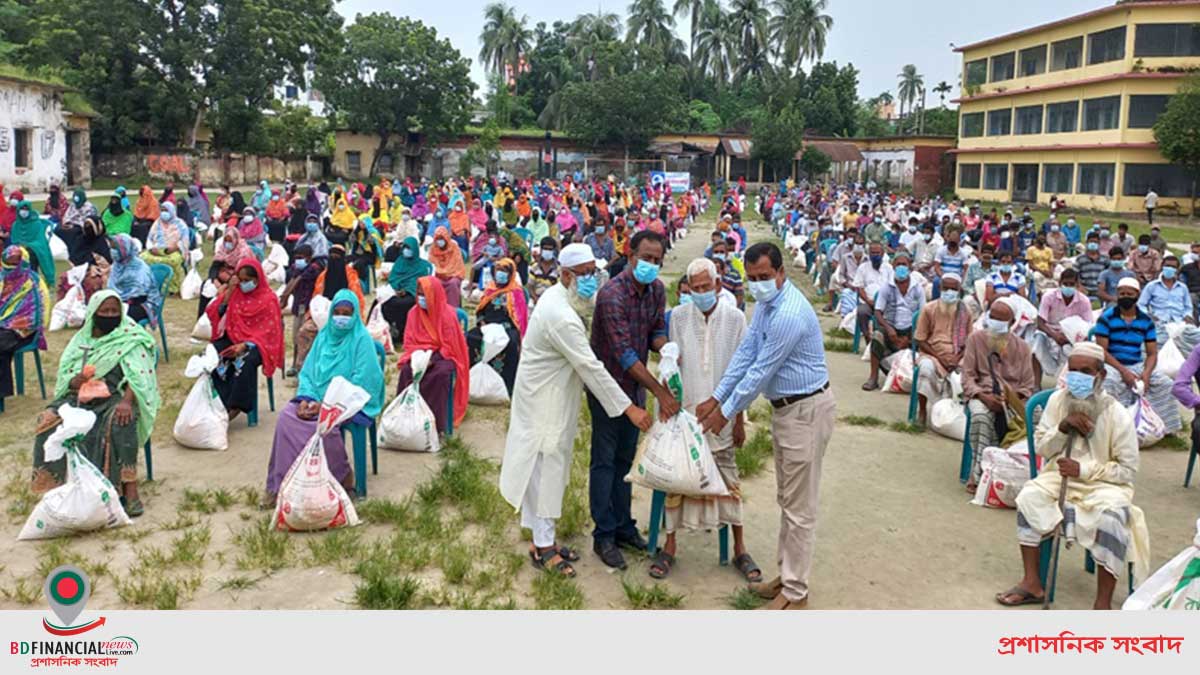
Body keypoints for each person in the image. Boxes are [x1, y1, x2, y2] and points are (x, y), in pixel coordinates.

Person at [695, 242, 834, 610]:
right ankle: (787, 577)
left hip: (805, 411)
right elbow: (747, 352)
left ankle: (796, 592)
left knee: (800, 508)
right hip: (787, 412)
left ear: (781, 273)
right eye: (751, 278)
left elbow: (760, 371)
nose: (757, 284)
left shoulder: (788, 313)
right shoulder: (767, 305)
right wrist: (716, 396)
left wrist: (723, 413)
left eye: (764, 277)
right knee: (788, 501)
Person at [498, 243, 651, 578]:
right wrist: (630, 410)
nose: (590, 281)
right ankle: (545, 548)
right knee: (544, 472)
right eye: (583, 274)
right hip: (543, 403)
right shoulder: (559, 315)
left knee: (549, 470)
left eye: (593, 273)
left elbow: (597, 307)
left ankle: (542, 541)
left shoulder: (565, 298)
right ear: (564, 275)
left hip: (552, 396)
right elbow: (591, 367)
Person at [996, 343, 1149, 609]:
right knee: (1029, 496)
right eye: (1074, 370)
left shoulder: (1117, 414)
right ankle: (1032, 583)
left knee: (1113, 519)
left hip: (1105, 486)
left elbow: (1127, 470)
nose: (1077, 377)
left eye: (1086, 371)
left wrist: (1084, 470)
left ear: (1100, 375)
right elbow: (1042, 447)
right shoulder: (1057, 401)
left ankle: (1102, 603)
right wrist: (1062, 428)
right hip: (1058, 477)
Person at [651, 257, 759, 581]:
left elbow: (742, 372)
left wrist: (738, 419)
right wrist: (668, 407)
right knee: (676, 479)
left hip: (723, 414)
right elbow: (673, 366)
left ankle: (740, 548)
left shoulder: (736, 318)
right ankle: (669, 546)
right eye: (694, 288)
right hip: (686, 413)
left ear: (718, 285)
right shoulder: (680, 318)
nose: (700, 293)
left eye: (705, 287)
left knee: (729, 478)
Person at [588, 230, 679, 570]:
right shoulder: (612, 294)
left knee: (626, 461)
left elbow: (655, 330)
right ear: (630, 256)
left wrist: (666, 348)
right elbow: (624, 353)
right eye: (646, 258)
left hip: (634, 388)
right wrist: (660, 391)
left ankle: (624, 526)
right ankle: (604, 534)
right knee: (604, 460)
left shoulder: (656, 290)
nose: (651, 265)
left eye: (657, 260)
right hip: (608, 388)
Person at [31, 291, 159, 517]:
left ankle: (129, 489)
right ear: (94, 313)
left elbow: (140, 377)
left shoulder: (131, 337)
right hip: (80, 395)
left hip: (116, 395)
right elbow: (66, 377)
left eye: (114, 311)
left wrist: (127, 402)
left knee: (121, 420)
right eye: (105, 311)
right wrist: (75, 380)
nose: (110, 315)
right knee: (47, 419)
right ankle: (57, 490)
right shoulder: (81, 340)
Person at [263, 289, 383, 506]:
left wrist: (328, 404)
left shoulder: (362, 340)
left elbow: (362, 382)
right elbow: (308, 373)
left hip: (349, 401)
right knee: (287, 418)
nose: (341, 318)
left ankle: (341, 479)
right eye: (337, 312)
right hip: (315, 397)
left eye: (347, 313)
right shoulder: (324, 337)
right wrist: (305, 399)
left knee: (325, 425)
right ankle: (281, 485)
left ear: (355, 315)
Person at [962, 300, 1037, 487]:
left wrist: (1012, 399)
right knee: (980, 417)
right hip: (983, 394)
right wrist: (983, 396)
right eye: (992, 317)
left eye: (1000, 319)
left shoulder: (1023, 348)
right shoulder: (975, 339)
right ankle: (978, 471)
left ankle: (1017, 472)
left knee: (1037, 418)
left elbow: (1028, 385)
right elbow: (968, 377)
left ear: (1012, 323)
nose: (994, 321)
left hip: (1013, 398)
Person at [1094, 277, 1181, 435]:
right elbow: (1102, 351)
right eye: (1122, 293)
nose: (1125, 296)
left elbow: (1152, 353)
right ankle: (1110, 429)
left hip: (1136, 363)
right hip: (1112, 363)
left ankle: (1161, 429)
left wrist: (1146, 375)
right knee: (1110, 382)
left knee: (1165, 383)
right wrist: (1123, 371)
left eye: (1129, 293)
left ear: (1138, 295)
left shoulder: (1146, 321)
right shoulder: (1106, 318)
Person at [205, 258, 285, 420]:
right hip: (233, 337)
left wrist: (247, 345)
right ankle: (217, 401)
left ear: (258, 279)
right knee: (211, 354)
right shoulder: (235, 293)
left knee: (244, 362)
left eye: (247, 281)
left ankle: (235, 405)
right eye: (240, 280)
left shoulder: (269, 299)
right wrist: (228, 293)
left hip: (258, 344)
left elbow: (270, 331)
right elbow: (215, 312)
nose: (243, 284)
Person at [396, 276, 470, 433]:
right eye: (419, 294)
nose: (422, 298)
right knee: (407, 371)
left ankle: (435, 423)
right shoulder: (413, 314)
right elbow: (409, 342)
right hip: (418, 355)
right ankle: (406, 417)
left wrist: (432, 358)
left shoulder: (447, 315)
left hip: (442, 356)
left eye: (425, 294)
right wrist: (419, 357)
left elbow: (450, 346)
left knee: (440, 374)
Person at [913, 273, 972, 423]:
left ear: (959, 290)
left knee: (969, 371)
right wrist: (941, 358)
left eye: (953, 289)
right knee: (925, 368)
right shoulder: (929, 309)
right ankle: (922, 411)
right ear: (940, 288)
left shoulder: (966, 312)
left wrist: (956, 358)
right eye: (946, 288)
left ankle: (958, 414)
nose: (949, 292)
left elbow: (970, 342)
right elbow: (920, 340)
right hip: (932, 354)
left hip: (958, 355)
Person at [862, 251, 924, 391]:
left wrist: (908, 339)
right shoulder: (887, 287)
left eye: (904, 264)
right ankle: (873, 377)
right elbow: (878, 311)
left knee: (923, 338)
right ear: (892, 265)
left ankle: (914, 379)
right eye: (898, 264)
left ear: (910, 267)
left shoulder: (917, 288)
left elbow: (923, 313)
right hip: (891, 328)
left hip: (911, 329)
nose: (901, 267)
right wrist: (888, 328)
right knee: (878, 335)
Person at [466, 258, 528, 395]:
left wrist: (504, 327)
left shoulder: (516, 292)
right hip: (487, 326)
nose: (500, 274)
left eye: (505, 271)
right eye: (498, 270)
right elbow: (480, 310)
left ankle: (507, 385)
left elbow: (519, 318)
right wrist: (482, 322)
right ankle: (472, 381)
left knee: (511, 344)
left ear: (511, 273)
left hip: (506, 327)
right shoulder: (490, 288)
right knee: (470, 337)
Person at [1029, 269, 1093, 385]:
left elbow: (1088, 326)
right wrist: (1054, 335)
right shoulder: (1048, 296)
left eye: (1071, 284)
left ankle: (1068, 385)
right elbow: (1040, 322)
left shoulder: (1084, 301)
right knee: (1036, 349)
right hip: (1049, 331)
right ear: (1060, 283)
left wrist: (1070, 338)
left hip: (1071, 336)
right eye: (1066, 284)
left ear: (1077, 285)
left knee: (1079, 355)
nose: (1068, 287)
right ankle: (1036, 385)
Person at [0, 246, 45, 402]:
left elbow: (35, 314)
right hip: (4, 327)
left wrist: (13, 323)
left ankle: (2, 392)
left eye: (14, 264)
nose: (10, 268)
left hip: (25, 330)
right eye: (7, 263)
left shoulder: (31, 282)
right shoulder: (2, 279)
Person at [277, 244, 325, 376]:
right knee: (295, 338)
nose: (298, 260)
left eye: (301, 258)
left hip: (309, 308)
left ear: (309, 258)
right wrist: (285, 296)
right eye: (296, 257)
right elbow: (292, 279)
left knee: (305, 338)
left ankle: (304, 366)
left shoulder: (313, 269)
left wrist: (285, 297)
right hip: (298, 307)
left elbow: (298, 280)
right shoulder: (295, 267)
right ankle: (294, 364)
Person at [1139, 254, 1200, 355]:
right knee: (1150, 346)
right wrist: (1150, 316)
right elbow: (1141, 305)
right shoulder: (1152, 286)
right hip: (1160, 324)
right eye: (1167, 266)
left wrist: (1187, 316)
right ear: (1162, 266)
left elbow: (1188, 307)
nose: (1170, 269)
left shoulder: (1182, 287)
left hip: (1180, 323)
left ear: (1177, 269)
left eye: (1173, 267)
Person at [382, 236, 430, 344]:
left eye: (409, 248)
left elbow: (420, 283)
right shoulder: (400, 261)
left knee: (403, 304)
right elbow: (393, 278)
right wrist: (396, 289)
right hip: (396, 291)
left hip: (412, 293)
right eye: (404, 247)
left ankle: (403, 332)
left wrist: (406, 290)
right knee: (383, 302)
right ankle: (390, 331)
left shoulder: (422, 266)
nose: (406, 250)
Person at [107, 234, 160, 325]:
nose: (112, 252)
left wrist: (122, 303)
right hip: (121, 303)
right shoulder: (117, 266)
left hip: (142, 304)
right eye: (111, 248)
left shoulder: (139, 268)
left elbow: (140, 294)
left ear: (125, 249)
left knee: (114, 316)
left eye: (115, 248)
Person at [140, 202, 189, 295]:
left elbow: (185, 241)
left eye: (166, 210)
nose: (164, 213)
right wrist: (151, 248)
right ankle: (149, 286)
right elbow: (149, 239)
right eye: (162, 210)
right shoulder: (157, 223)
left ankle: (172, 288)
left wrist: (176, 247)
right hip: (156, 250)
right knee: (143, 258)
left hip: (173, 250)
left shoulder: (180, 224)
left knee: (172, 261)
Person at [852, 242, 894, 344]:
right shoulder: (863, 268)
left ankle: (885, 340)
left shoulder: (888, 268)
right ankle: (867, 337)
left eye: (877, 253)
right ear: (869, 254)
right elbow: (859, 288)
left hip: (885, 303)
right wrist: (868, 300)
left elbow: (892, 287)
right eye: (873, 253)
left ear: (883, 253)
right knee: (862, 311)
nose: (875, 255)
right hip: (868, 302)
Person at [8, 200, 55, 287]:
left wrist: (29, 245)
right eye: (22, 209)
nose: (24, 211)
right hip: (19, 249)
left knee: (30, 253)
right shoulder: (16, 225)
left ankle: (33, 279)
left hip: (33, 249)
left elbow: (40, 240)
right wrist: (19, 246)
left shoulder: (36, 223)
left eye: (26, 209)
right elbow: (14, 240)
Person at [428, 229, 465, 308]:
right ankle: (437, 308)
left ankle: (453, 309)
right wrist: (441, 272)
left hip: (454, 274)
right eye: (437, 239)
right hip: (439, 275)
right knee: (435, 283)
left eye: (441, 239)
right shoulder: (433, 249)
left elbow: (455, 264)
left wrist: (446, 273)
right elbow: (433, 265)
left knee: (453, 283)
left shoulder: (454, 247)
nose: (439, 241)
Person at [1074, 234, 1109, 301]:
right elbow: (1074, 275)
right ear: (1087, 243)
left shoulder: (1105, 259)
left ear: (1099, 243)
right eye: (1091, 242)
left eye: (1095, 242)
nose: (1093, 244)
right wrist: (1080, 286)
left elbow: (1109, 274)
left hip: (1100, 291)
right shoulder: (1080, 259)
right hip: (1084, 290)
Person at [527, 237, 559, 302]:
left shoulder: (558, 269)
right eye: (545, 249)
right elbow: (530, 286)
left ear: (553, 251)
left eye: (550, 249)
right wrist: (535, 298)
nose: (547, 251)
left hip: (553, 300)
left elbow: (559, 289)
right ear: (541, 250)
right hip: (536, 298)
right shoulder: (534, 267)